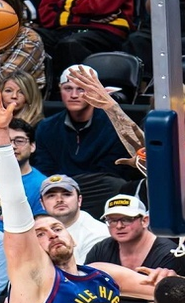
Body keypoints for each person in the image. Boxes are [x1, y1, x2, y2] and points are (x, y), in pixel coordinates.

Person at [0, 84, 166, 303]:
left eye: (57, 228)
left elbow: (176, 294)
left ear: (72, 237)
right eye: (40, 234)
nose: (52, 234)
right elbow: (13, 200)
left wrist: (169, 280)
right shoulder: (34, 279)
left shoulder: (100, 273)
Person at [31, 65, 138, 218]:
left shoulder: (113, 126)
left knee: (114, 184)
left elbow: (112, 169)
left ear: (95, 91)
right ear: (60, 90)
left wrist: (73, 183)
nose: (74, 95)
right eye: (68, 88)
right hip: (58, 187)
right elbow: (44, 166)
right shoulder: (46, 126)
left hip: (98, 188)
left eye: (81, 89)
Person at [85, 194, 185, 303]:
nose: (119, 226)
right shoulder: (100, 250)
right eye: (112, 220)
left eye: (127, 219)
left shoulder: (169, 253)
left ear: (145, 221)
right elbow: (85, 289)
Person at [36, 0, 135, 78]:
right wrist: (86, 19)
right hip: (65, 30)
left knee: (70, 44)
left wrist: (64, 4)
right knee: (32, 37)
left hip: (105, 31)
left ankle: (75, 86)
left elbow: (100, 6)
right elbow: (46, 14)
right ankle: (39, 86)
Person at [39, 174, 108, 265]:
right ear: (42, 204)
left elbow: (83, 272)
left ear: (79, 200)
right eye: (51, 196)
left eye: (66, 194)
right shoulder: (35, 231)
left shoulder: (97, 233)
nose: (59, 200)